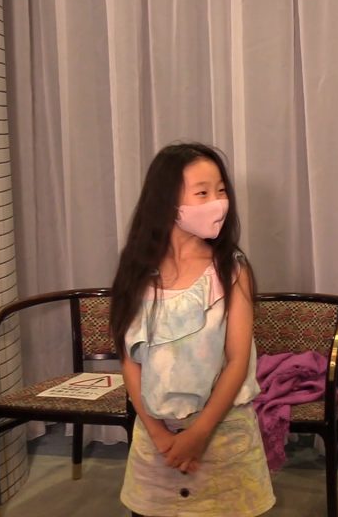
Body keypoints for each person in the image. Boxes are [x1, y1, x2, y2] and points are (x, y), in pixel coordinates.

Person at [109, 142, 275, 516]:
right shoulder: (136, 271)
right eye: (203, 193)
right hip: (156, 445)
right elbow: (130, 360)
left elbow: (237, 361)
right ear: (167, 202)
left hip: (223, 436)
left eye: (221, 191)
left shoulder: (231, 270)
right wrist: (159, 435)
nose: (218, 203)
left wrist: (198, 435)